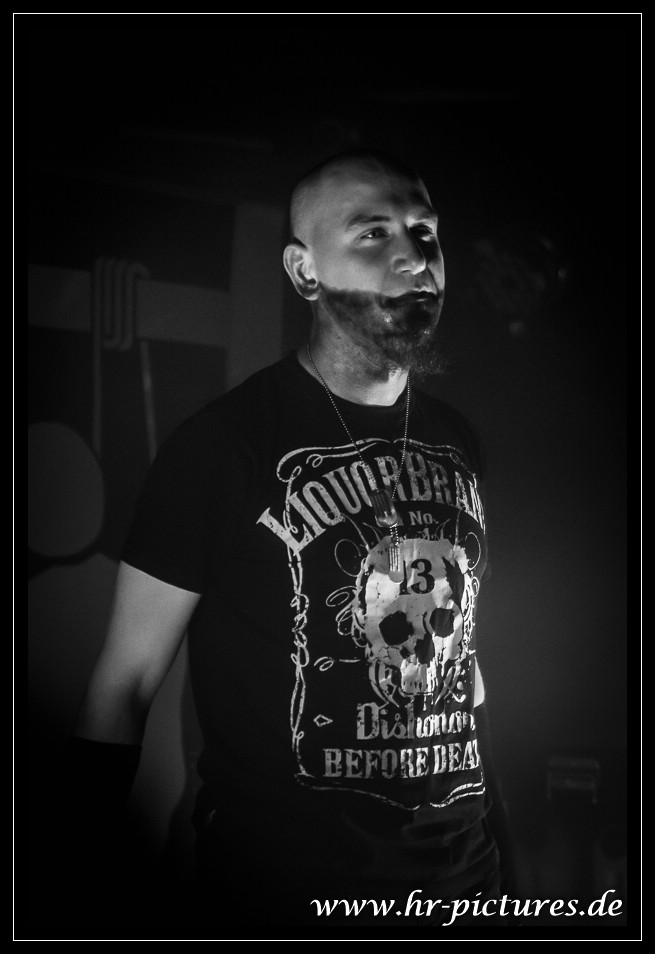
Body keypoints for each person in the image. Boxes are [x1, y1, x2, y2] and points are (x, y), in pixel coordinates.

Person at [65, 149, 512, 932]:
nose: (414, 256)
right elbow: (126, 681)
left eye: (425, 231)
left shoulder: (456, 439)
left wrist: (503, 856)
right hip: (284, 897)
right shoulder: (223, 446)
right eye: (372, 233)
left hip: (461, 890)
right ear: (304, 271)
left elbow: (460, 667)